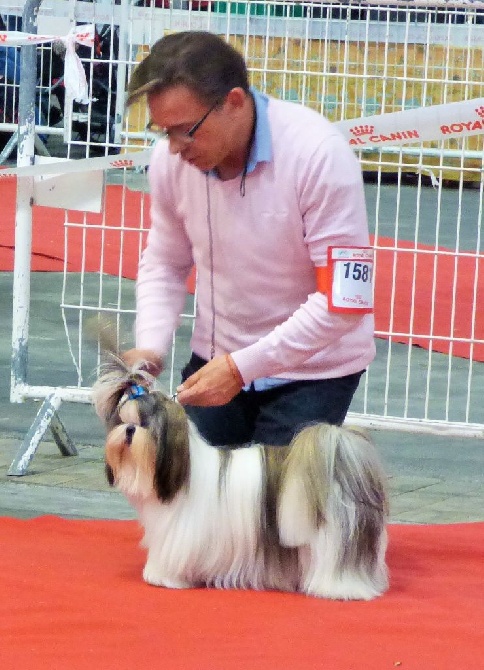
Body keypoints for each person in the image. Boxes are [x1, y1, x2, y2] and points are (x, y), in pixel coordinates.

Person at [123, 30, 375, 447]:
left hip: (314, 369)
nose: (174, 147)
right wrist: (150, 346)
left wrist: (243, 367)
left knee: (276, 510)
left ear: (235, 102)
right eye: (162, 131)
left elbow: (344, 302)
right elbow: (165, 263)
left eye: (186, 129)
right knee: (192, 502)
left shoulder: (319, 154)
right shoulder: (170, 163)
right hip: (218, 358)